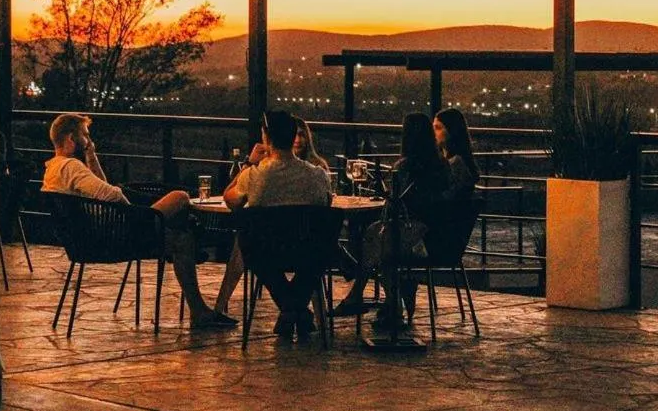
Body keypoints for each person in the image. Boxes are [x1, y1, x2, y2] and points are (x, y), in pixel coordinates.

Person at [42, 113, 235, 329]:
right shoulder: (71, 167)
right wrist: (133, 213)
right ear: (71, 139)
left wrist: (92, 157)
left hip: (93, 238)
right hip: (119, 232)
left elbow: (99, 186)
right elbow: (111, 195)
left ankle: (198, 301)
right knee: (180, 198)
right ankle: (199, 304)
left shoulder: (53, 169)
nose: (89, 142)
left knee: (182, 239)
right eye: (86, 136)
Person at [333, 113, 450, 324]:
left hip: (415, 234)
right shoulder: (441, 165)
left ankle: (365, 295)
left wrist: (381, 191)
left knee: (377, 239)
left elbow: (397, 202)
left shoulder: (405, 167)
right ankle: (383, 303)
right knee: (379, 241)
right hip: (439, 236)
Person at [224, 110, 332, 338]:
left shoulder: (255, 175)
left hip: (269, 256)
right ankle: (298, 310)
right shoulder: (318, 175)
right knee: (319, 250)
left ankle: (289, 308)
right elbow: (327, 205)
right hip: (308, 255)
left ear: (266, 137)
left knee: (250, 243)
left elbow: (230, 200)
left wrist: (248, 163)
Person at [433, 107, 480, 196]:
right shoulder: (448, 159)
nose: (433, 132)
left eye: (438, 128)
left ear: (451, 131)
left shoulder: (456, 163)